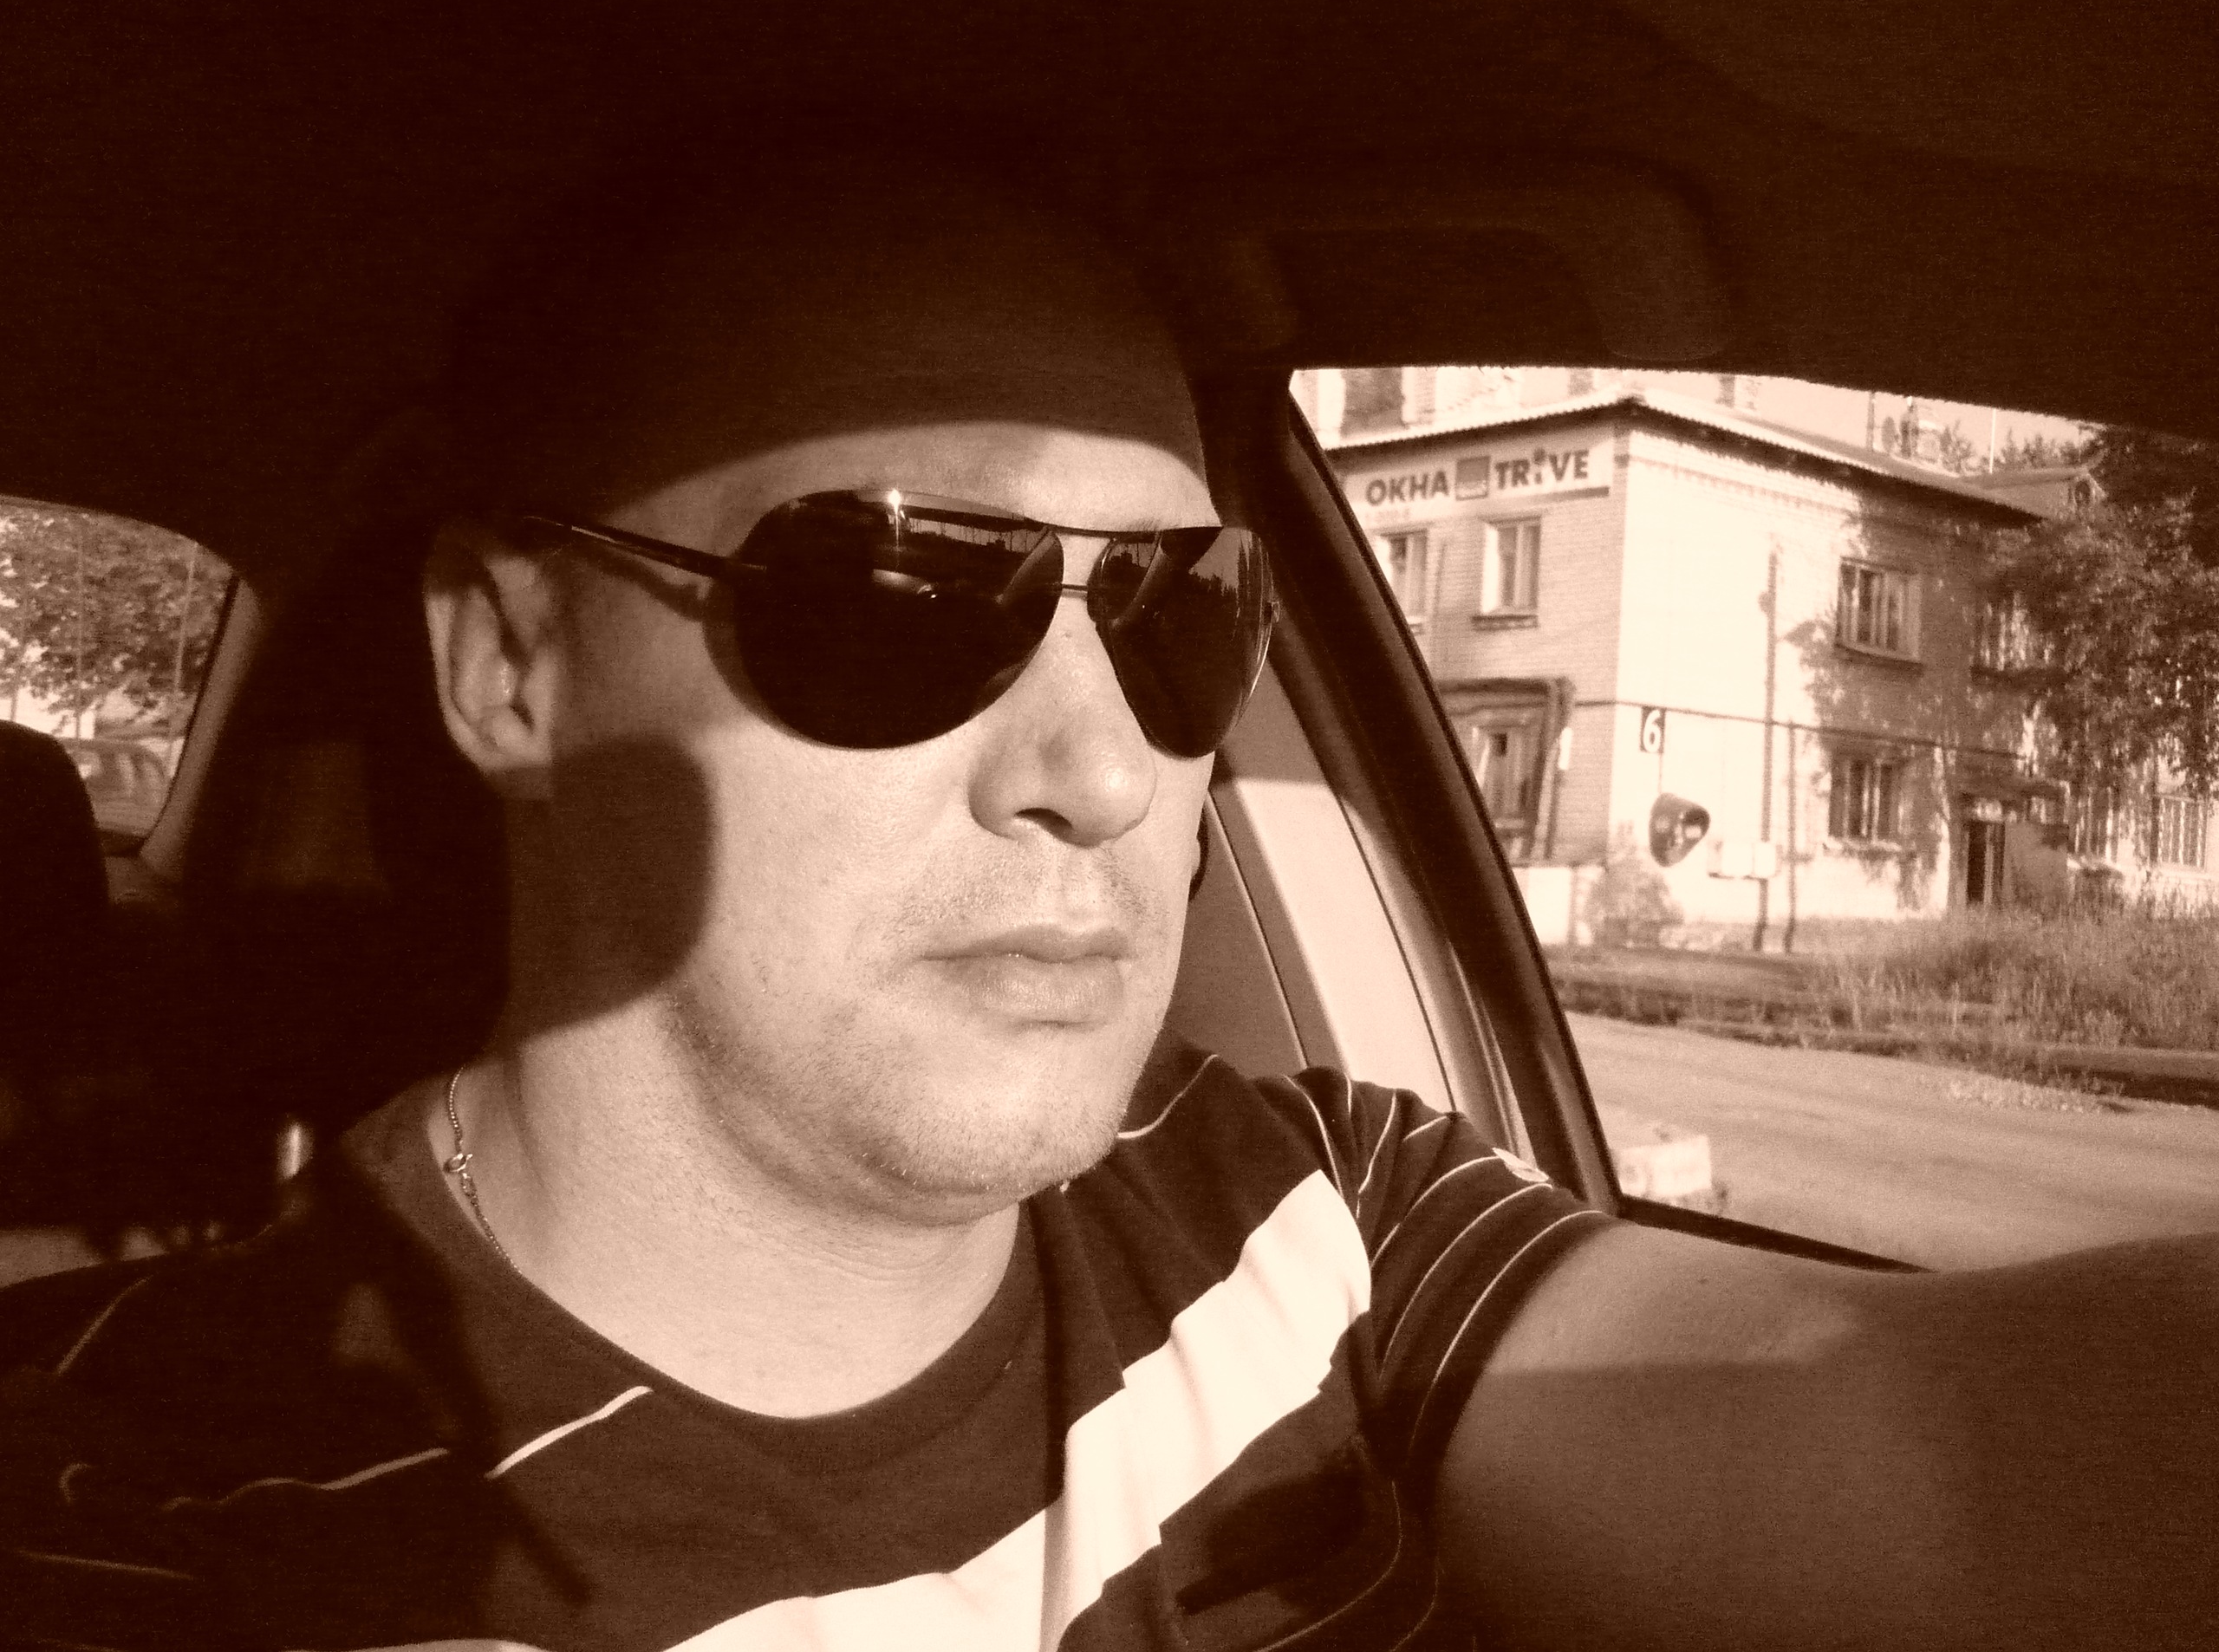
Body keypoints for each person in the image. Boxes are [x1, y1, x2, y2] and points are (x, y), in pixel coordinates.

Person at [5, 127, 2217, 1652]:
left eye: (1178, 617)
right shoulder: (149, 1526)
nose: (1103, 775)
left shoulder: (1304, 1210)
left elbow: (1930, 1459)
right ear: (508, 665)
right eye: (893, 592)